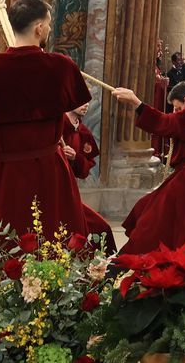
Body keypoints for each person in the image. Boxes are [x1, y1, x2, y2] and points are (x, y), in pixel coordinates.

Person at [0, 0, 91, 262]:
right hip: (51, 173)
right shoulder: (61, 67)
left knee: (6, 243)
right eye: (48, 24)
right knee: (54, 239)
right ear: (38, 28)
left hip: (8, 176)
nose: (48, 30)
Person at [111, 82, 185, 254]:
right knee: (150, 210)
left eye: (177, 108)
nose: (176, 113)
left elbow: (165, 122)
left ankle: (124, 262)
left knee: (154, 220)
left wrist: (136, 102)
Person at [59, 103, 118, 255]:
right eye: (81, 101)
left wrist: (75, 158)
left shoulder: (84, 133)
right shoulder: (56, 125)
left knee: (101, 228)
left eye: (88, 102)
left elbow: (84, 171)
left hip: (70, 191)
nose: (86, 105)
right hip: (53, 188)